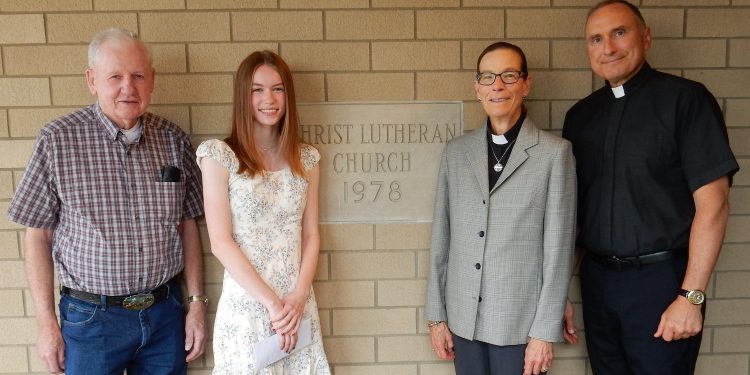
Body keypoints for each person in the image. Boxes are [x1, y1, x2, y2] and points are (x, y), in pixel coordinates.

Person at [7, 28, 206, 374]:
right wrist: (45, 323)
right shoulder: (57, 141)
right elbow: (37, 235)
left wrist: (197, 304)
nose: (128, 87)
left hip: (164, 316)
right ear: (92, 80)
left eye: (138, 76)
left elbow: (187, 225)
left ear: (152, 80)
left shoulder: (174, 140)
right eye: (115, 76)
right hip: (91, 322)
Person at [562, 1, 739, 374]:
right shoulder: (580, 118)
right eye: (596, 38)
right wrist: (560, 292)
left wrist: (691, 297)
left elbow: (715, 205)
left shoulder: (686, 100)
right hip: (598, 283)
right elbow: (575, 217)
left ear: (646, 37)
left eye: (619, 33)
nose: (608, 47)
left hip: (662, 283)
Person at [425, 41, 577, 375]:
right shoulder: (456, 152)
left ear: (526, 84)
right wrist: (436, 317)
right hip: (463, 321)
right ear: (476, 88)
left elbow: (558, 250)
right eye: (488, 77)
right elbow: (441, 238)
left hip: (520, 325)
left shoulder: (554, 154)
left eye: (509, 75)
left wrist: (544, 331)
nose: (498, 86)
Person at [197, 50, 330, 374]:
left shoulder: (307, 159)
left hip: (296, 306)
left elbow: (311, 235)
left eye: (278, 88)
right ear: (244, 95)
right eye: (257, 89)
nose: (268, 99)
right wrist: (272, 303)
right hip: (248, 306)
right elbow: (220, 242)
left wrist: (297, 298)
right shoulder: (219, 156)